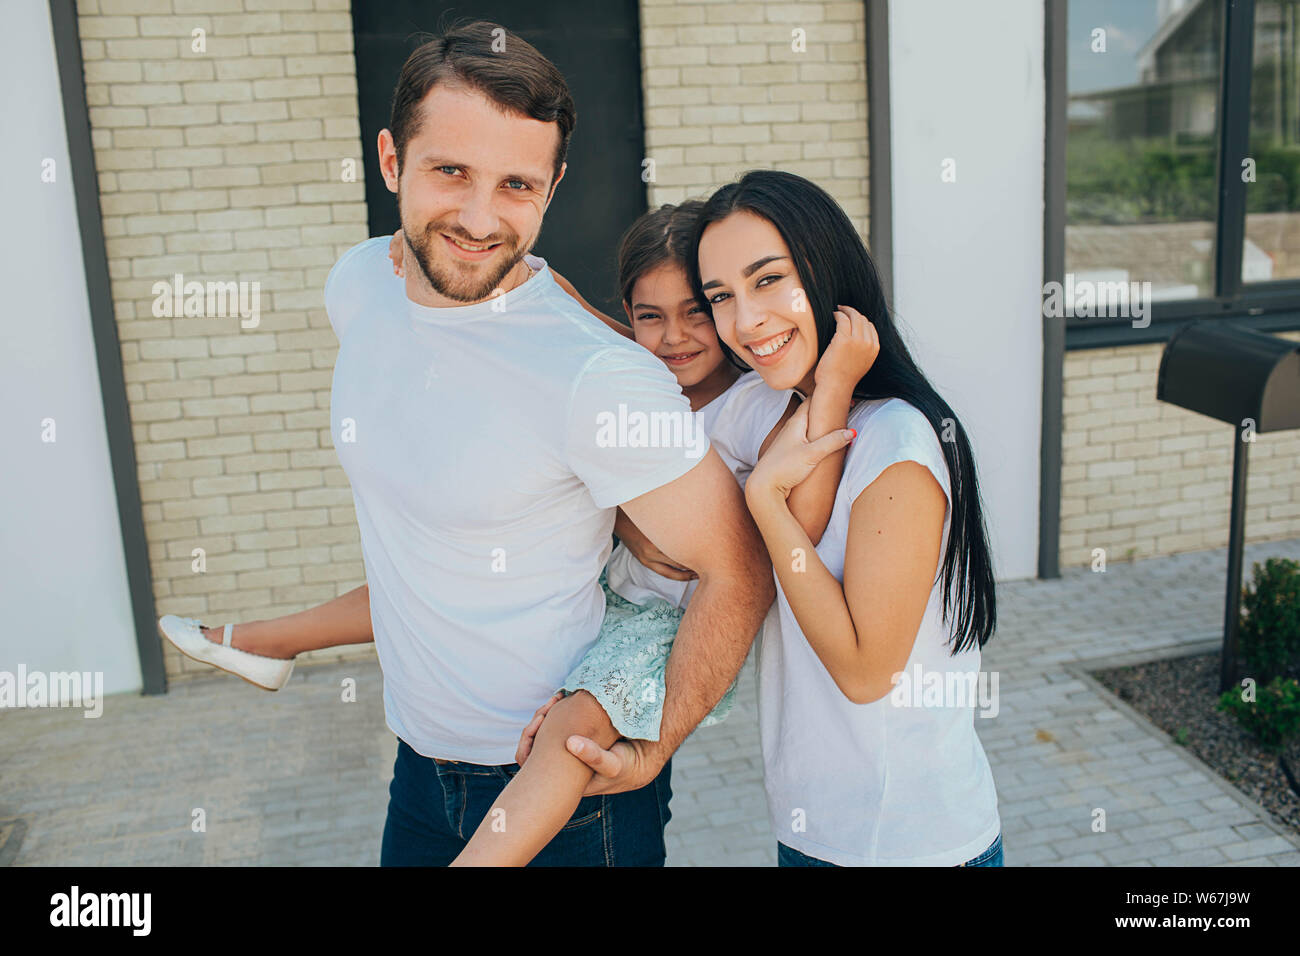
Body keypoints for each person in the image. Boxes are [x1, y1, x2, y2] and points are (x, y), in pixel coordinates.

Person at [167, 20, 774, 868]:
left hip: (571, 803)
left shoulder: (598, 380)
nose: (480, 218)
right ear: (390, 162)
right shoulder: (358, 287)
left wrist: (657, 739)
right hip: (417, 772)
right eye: (450, 171)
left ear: (553, 189)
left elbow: (737, 568)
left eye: (517, 184)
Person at [162, 197, 876, 865]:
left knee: (569, 734)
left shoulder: (751, 404)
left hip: (661, 626)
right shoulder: (636, 375)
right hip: (609, 589)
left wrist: (835, 382)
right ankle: (268, 639)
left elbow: (799, 526)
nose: (675, 336)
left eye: (699, 311)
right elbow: (575, 317)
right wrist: (447, 251)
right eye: (649, 316)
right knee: (443, 582)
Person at [677, 168, 1003, 866]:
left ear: (827, 270)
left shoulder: (898, 444)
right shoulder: (777, 404)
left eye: (768, 280)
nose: (746, 320)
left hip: (905, 843)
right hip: (814, 828)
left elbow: (864, 672)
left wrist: (765, 502)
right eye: (721, 296)